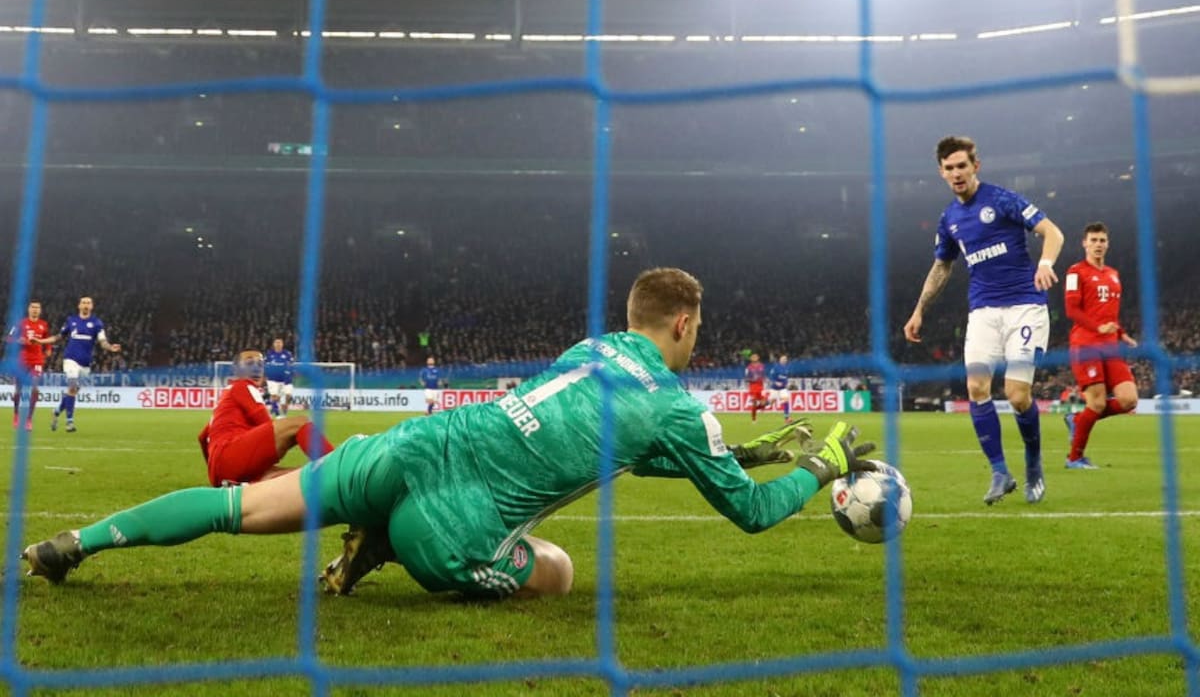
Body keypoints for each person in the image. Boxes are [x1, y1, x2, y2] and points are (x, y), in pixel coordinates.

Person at [22, 267, 876, 601]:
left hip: (406, 448)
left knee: (234, 508)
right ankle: (389, 545)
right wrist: (823, 465)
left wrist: (744, 450)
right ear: (684, 324)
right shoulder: (677, 407)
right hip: (453, 528)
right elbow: (751, 514)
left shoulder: (588, 351)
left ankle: (76, 543)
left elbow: (620, 451)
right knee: (558, 570)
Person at [903, 136, 1064, 505]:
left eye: (962, 165)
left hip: (1025, 306)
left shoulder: (1002, 200)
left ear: (975, 166)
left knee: (1017, 395)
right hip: (983, 313)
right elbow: (942, 266)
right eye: (949, 168)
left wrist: (1045, 264)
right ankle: (1000, 472)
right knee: (976, 387)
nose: (956, 173)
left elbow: (1053, 232)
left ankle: (1034, 463)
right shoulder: (949, 219)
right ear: (941, 173)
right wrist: (919, 309)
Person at [1062, 222, 1139, 469]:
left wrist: (1122, 333)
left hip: (1111, 347)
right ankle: (1074, 458)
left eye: (1102, 240)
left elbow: (1109, 314)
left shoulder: (1113, 274)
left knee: (1129, 400)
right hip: (1086, 345)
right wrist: (1097, 328)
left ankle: (1078, 419)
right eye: (1093, 240)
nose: (1098, 244)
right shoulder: (1075, 272)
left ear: (1108, 244)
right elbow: (1072, 310)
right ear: (1084, 243)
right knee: (1097, 403)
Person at [198, 349, 334, 487]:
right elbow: (266, 424)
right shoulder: (243, 386)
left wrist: (216, 472)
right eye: (249, 363)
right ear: (236, 369)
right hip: (232, 456)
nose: (256, 368)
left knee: (297, 475)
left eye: (260, 364)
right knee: (300, 423)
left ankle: (240, 486)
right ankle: (339, 468)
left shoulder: (225, 397)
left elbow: (203, 437)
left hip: (223, 469)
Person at [45, 296, 121, 433]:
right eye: (83, 303)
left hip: (85, 363)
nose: (86, 305)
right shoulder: (71, 320)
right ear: (79, 305)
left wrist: (110, 347)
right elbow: (58, 337)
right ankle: (69, 422)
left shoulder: (97, 323)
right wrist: (41, 342)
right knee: (72, 387)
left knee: (72, 391)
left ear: (92, 306)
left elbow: (102, 341)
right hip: (70, 359)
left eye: (88, 303)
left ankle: (56, 411)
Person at [5, 301, 53, 431]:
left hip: (37, 361)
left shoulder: (44, 325)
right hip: (22, 361)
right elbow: (9, 339)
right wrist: (18, 341)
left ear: (40, 310)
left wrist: (48, 349)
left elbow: (47, 340)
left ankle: (28, 420)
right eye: (33, 307)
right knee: (18, 390)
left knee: (35, 389)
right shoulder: (20, 324)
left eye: (37, 307)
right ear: (29, 309)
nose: (35, 309)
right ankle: (16, 415)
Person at [264, 337, 295, 417]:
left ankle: (282, 413)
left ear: (282, 344)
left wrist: (290, 373)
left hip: (286, 380)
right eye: (276, 342)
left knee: (288, 397)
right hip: (273, 379)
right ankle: (278, 414)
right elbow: (265, 365)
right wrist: (266, 375)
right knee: (274, 396)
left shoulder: (287, 354)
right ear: (274, 344)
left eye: (280, 342)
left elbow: (291, 365)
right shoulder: (269, 354)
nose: (278, 344)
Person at [765, 354, 792, 420]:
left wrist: (786, 383)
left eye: (785, 359)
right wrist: (775, 382)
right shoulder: (776, 367)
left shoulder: (787, 368)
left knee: (786, 400)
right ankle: (764, 404)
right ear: (780, 360)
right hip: (775, 388)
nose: (784, 360)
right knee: (771, 402)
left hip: (783, 388)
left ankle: (787, 417)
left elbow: (785, 377)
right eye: (783, 359)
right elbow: (770, 377)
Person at [744, 352, 766, 422]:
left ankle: (754, 410)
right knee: (754, 403)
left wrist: (764, 379)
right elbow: (746, 378)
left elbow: (763, 375)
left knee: (764, 403)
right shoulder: (748, 367)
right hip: (753, 387)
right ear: (751, 359)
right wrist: (752, 379)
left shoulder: (762, 366)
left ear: (758, 358)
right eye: (753, 357)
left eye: (755, 357)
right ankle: (754, 419)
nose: (754, 358)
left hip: (761, 387)